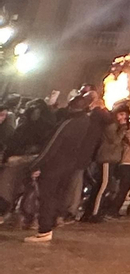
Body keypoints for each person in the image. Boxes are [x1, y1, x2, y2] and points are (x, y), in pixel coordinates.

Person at [24, 93, 102, 243]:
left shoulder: (69, 123)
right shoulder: (86, 122)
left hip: (55, 165)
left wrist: (36, 164)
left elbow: (52, 145)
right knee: (57, 196)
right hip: (70, 165)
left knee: (46, 196)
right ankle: (51, 224)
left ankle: (44, 229)